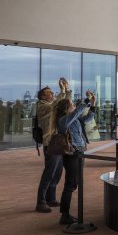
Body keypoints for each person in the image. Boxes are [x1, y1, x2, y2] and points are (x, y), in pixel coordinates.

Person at [54, 91, 96, 225]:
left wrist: (93, 103)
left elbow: (88, 119)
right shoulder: (63, 121)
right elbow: (77, 112)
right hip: (72, 154)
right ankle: (64, 215)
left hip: (79, 152)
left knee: (74, 182)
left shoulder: (74, 119)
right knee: (70, 184)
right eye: (71, 104)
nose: (73, 105)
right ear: (66, 109)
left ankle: (65, 214)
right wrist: (87, 100)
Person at [35, 79, 71, 213]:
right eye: (49, 93)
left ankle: (51, 198)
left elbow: (64, 105)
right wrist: (62, 91)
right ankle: (41, 202)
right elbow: (56, 104)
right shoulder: (42, 106)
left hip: (58, 142)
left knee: (57, 172)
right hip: (50, 143)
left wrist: (67, 90)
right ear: (43, 97)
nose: (52, 94)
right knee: (49, 173)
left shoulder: (52, 106)